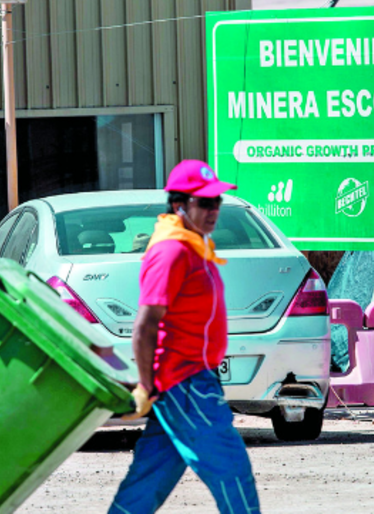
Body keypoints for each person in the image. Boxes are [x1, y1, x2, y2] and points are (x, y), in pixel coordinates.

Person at [108, 161, 260, 514]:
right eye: (204, 203)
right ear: (179, 205)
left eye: (217, 202)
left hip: (188, 380)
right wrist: (145, 386)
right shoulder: (172, 251)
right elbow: (145, 325)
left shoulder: (193, 245)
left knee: (147, 483)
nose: (214, 210)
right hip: (187, 383)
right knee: (233, 471)